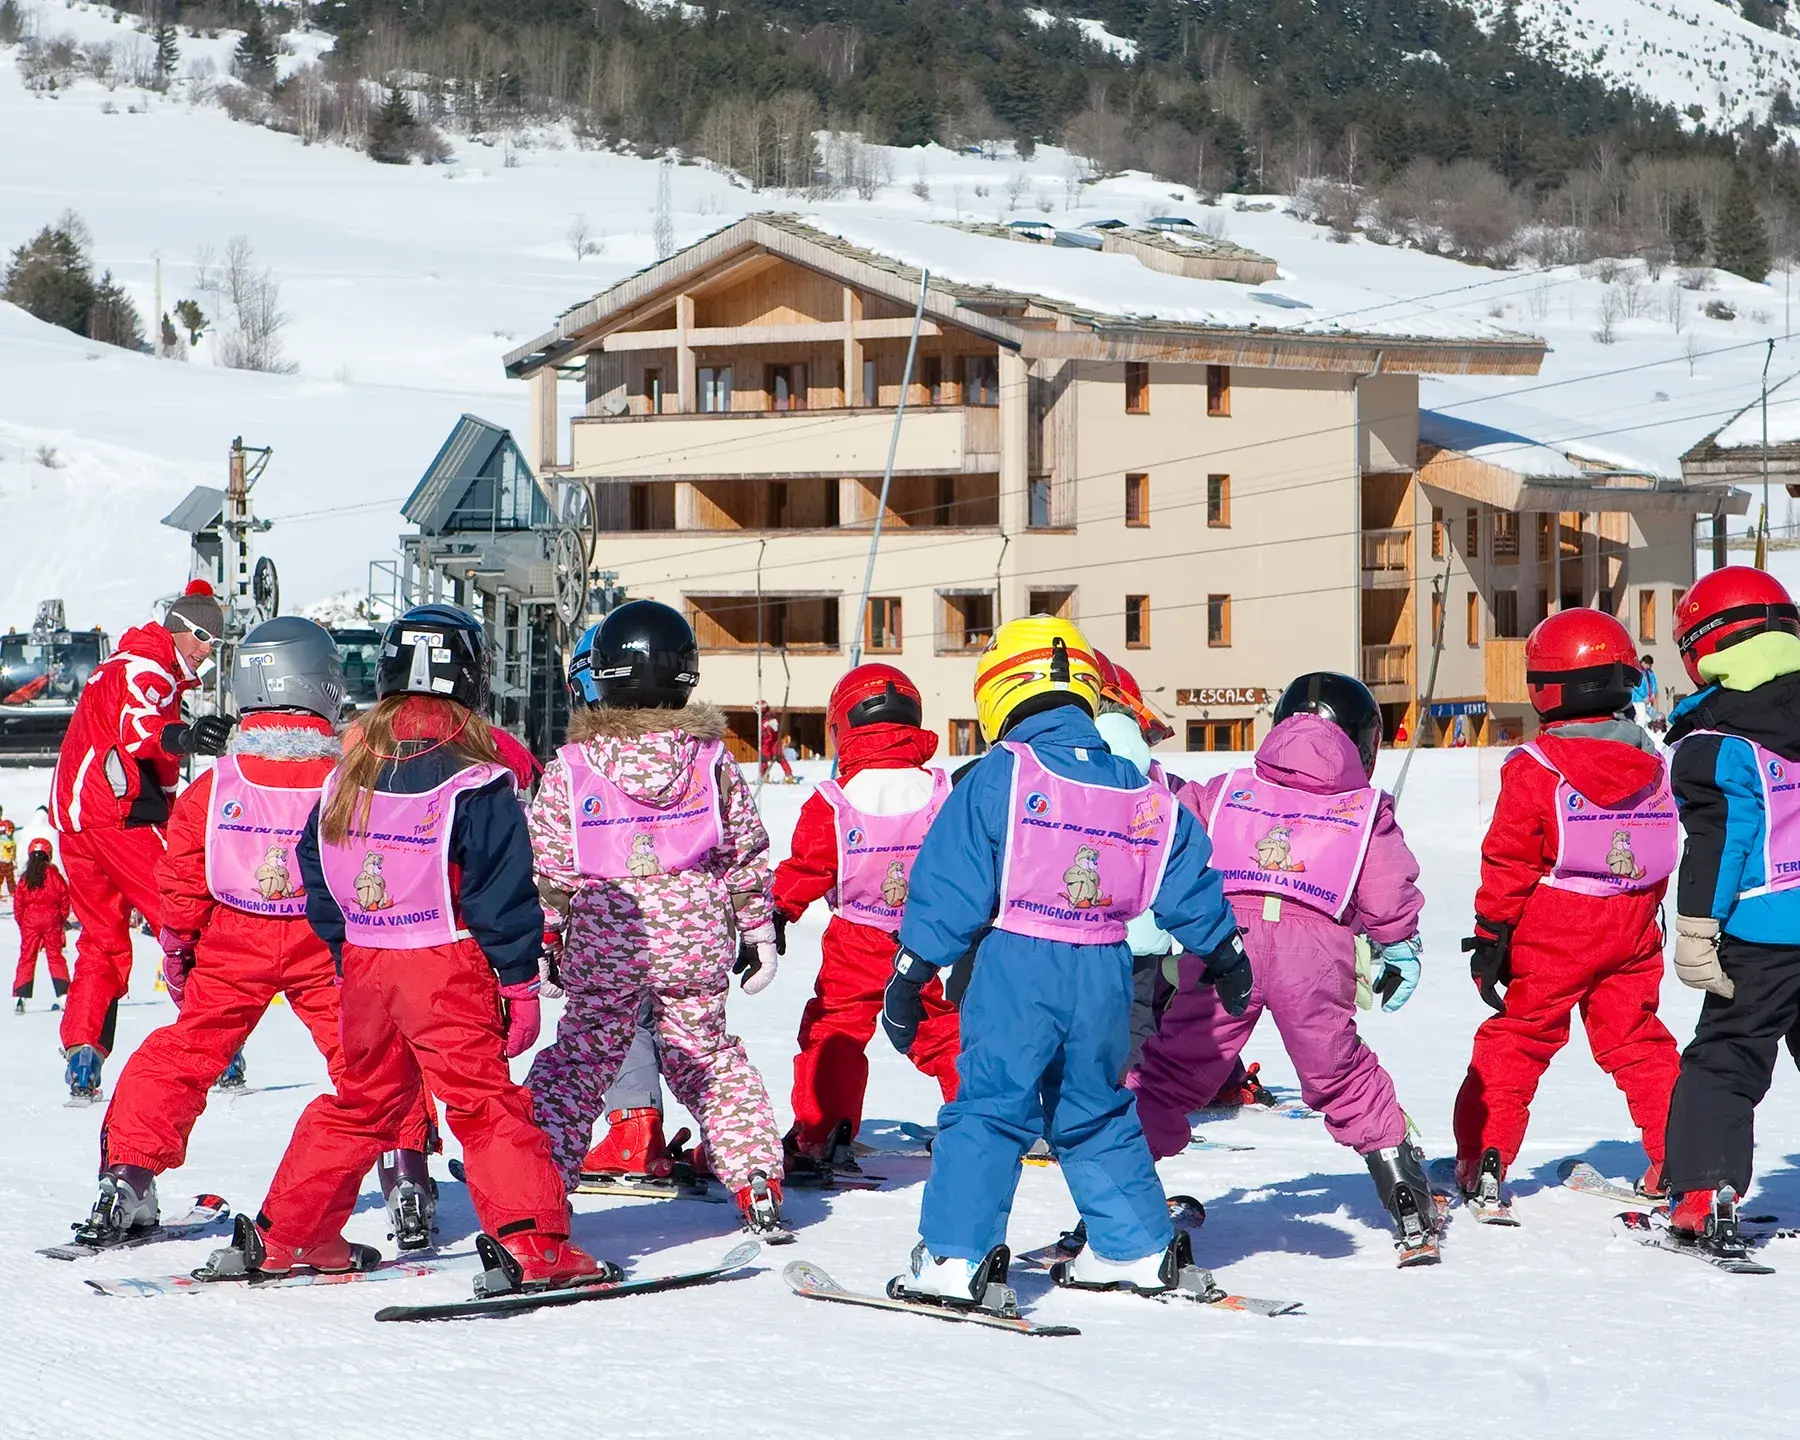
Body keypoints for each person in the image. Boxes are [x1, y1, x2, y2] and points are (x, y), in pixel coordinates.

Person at [202, 604, 601, 1288]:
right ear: (472, 680)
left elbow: (315, 868)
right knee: (482, 1103)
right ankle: (535, 1246)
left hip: (364, 962)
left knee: (363, 1103)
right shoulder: (477, 779)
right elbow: (500, 893)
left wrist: (342, 951)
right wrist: (518, 982)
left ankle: (288, 1235)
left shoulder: (347, 771)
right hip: (445, 962)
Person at [884, 616, 1248, 1306]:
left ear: (1000, 692)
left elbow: (952, 882)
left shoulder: (1000, 774)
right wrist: (1222, 947)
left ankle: (954, 1262)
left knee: (991, 1110)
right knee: (1096, 1111)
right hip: (1105, 969)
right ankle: (1135, 1247)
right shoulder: (1135, 785)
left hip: (1019, 962)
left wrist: (912, 971)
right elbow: (1183, 864)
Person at [76, 619, 436, 1249]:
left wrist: (180, 944)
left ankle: (128, 1174)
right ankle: (405, 1172)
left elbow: (183, 870)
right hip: (326, 942)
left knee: (184, 1055)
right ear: (322, 685)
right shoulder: (348, 777)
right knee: (371, 1054)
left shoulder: (220, 782)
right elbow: (382, 857)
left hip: (232, 940)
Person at [1128, 673, 1438, 1261]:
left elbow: (1169, 816)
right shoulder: (1364, 808)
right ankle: (1405, 1194)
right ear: (1362, 741)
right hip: (1316, 953)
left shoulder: (1227, 789)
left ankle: (1120, 1192)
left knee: (1172, 1070)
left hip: (1224, 945)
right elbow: (1387, 884)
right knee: (1340, 1071)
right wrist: (1398, 944)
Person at [524, 602, 788, 1237]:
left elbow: (550, 867)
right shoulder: (709, 762)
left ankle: (532, 1187)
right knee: (708, 1056)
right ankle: (756, 1179)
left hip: (607, 937)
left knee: (580, 1062)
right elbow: (742, 851)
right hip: (693, 938)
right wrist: (756, 929)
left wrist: (546, 938)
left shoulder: (573, 768)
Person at [1452, 611, 1680, 1211]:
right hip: (1632, 922)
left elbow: (1508, 858)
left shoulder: (1536, 767)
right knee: (1638, 1041)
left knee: (1519, 1038)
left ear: (1545, 688)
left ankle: (1486, 1157)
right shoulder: (1653, 762)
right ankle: (1678, 1156)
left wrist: (1491, 932)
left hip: (1556, 924)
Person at [1657, 567, 1800, 1259]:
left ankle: (1701, 1192)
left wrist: (1695, 930)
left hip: (1761, 927)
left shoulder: (1718, 738)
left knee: (1726, 1059)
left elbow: (1721, 838)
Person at [52, 580, 234, 1100]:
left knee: (102, 941)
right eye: (203, 637)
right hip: (119, 818)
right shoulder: (146, 665)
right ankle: (215, 1049)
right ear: (180, 628)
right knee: (185, 918)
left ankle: (84, 1051)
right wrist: (189, 735)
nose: (207, 650)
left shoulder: (125, 664)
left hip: (81, 822)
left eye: (215, 643)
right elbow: (140, 728)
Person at [773, 662, 957, 1171]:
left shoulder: (834, 802)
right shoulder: (941, 793)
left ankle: (821, 1130)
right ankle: (978, 1116)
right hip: (923, 938)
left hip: (856, 936)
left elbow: (808, 866)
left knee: (835, 1027)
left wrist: (778, 911)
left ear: (842, 727)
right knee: (936, 1027)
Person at [13, 838, 69, 1014]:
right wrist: (59, 920)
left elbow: (18, 904)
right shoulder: (54, 875)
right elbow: (65, 900)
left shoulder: (25, 877)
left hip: (30, 920)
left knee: (27, 957)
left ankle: (21, 998)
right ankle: (64, 997)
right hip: (51, 918)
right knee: (55, 957)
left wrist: (24, 923)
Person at [758, 704, 796, 784]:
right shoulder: (765, 719)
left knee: (772, 759)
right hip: (769, 744)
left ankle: (788, 776)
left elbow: (770, 736)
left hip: (771, 744)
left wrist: (765, 745)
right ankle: (765, 776)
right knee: (765, 760)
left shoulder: (768, 720)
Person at [1632, 652, 1665, 732]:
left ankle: (1645, 734)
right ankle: (1638, 733)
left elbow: (1653, 682)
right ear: (1643, 662)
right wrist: (1644, 696)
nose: (1649, 667)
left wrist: (1653, 693)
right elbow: (1636, 685)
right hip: (1638, 699)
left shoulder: (1649, 672)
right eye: (1648, 665)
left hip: (1648, 699)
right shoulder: (1637, 671)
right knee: (1642, 719)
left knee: (1649, 718)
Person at [0, 820, 18, 901]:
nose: (10, 832)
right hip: (1, 862)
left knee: (10, 878)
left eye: (12, 831)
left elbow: (14, 852)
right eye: (9, 830)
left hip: (9, 862)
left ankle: (13, 891)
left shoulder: (12, 841)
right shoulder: (1, 841)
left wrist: (14, 861)